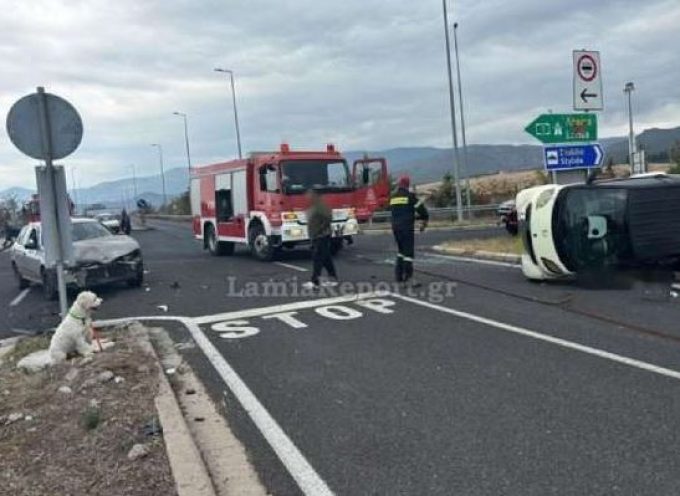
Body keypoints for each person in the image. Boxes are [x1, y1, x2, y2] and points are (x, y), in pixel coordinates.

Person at [390, 175, 429, 285]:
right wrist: (423, 221)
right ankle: (408, 278)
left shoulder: (393, 197)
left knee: (401, 251)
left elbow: (400, 212)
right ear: (408, 185)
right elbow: (422, 211)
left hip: (396, 228)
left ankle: (398, 276)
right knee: (408, 254)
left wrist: (411, 216)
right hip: (406, 228)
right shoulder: (410, 196)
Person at [304, 189, 338, 289]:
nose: (308, 197)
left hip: (321, 236)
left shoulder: (321, 206)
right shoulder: (314, 206)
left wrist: (321, 230)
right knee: (326, 258)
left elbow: (329, 218)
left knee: (317, 258)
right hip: (316, 235)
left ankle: (315, 281)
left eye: (310, 195)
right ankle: (333, 277)